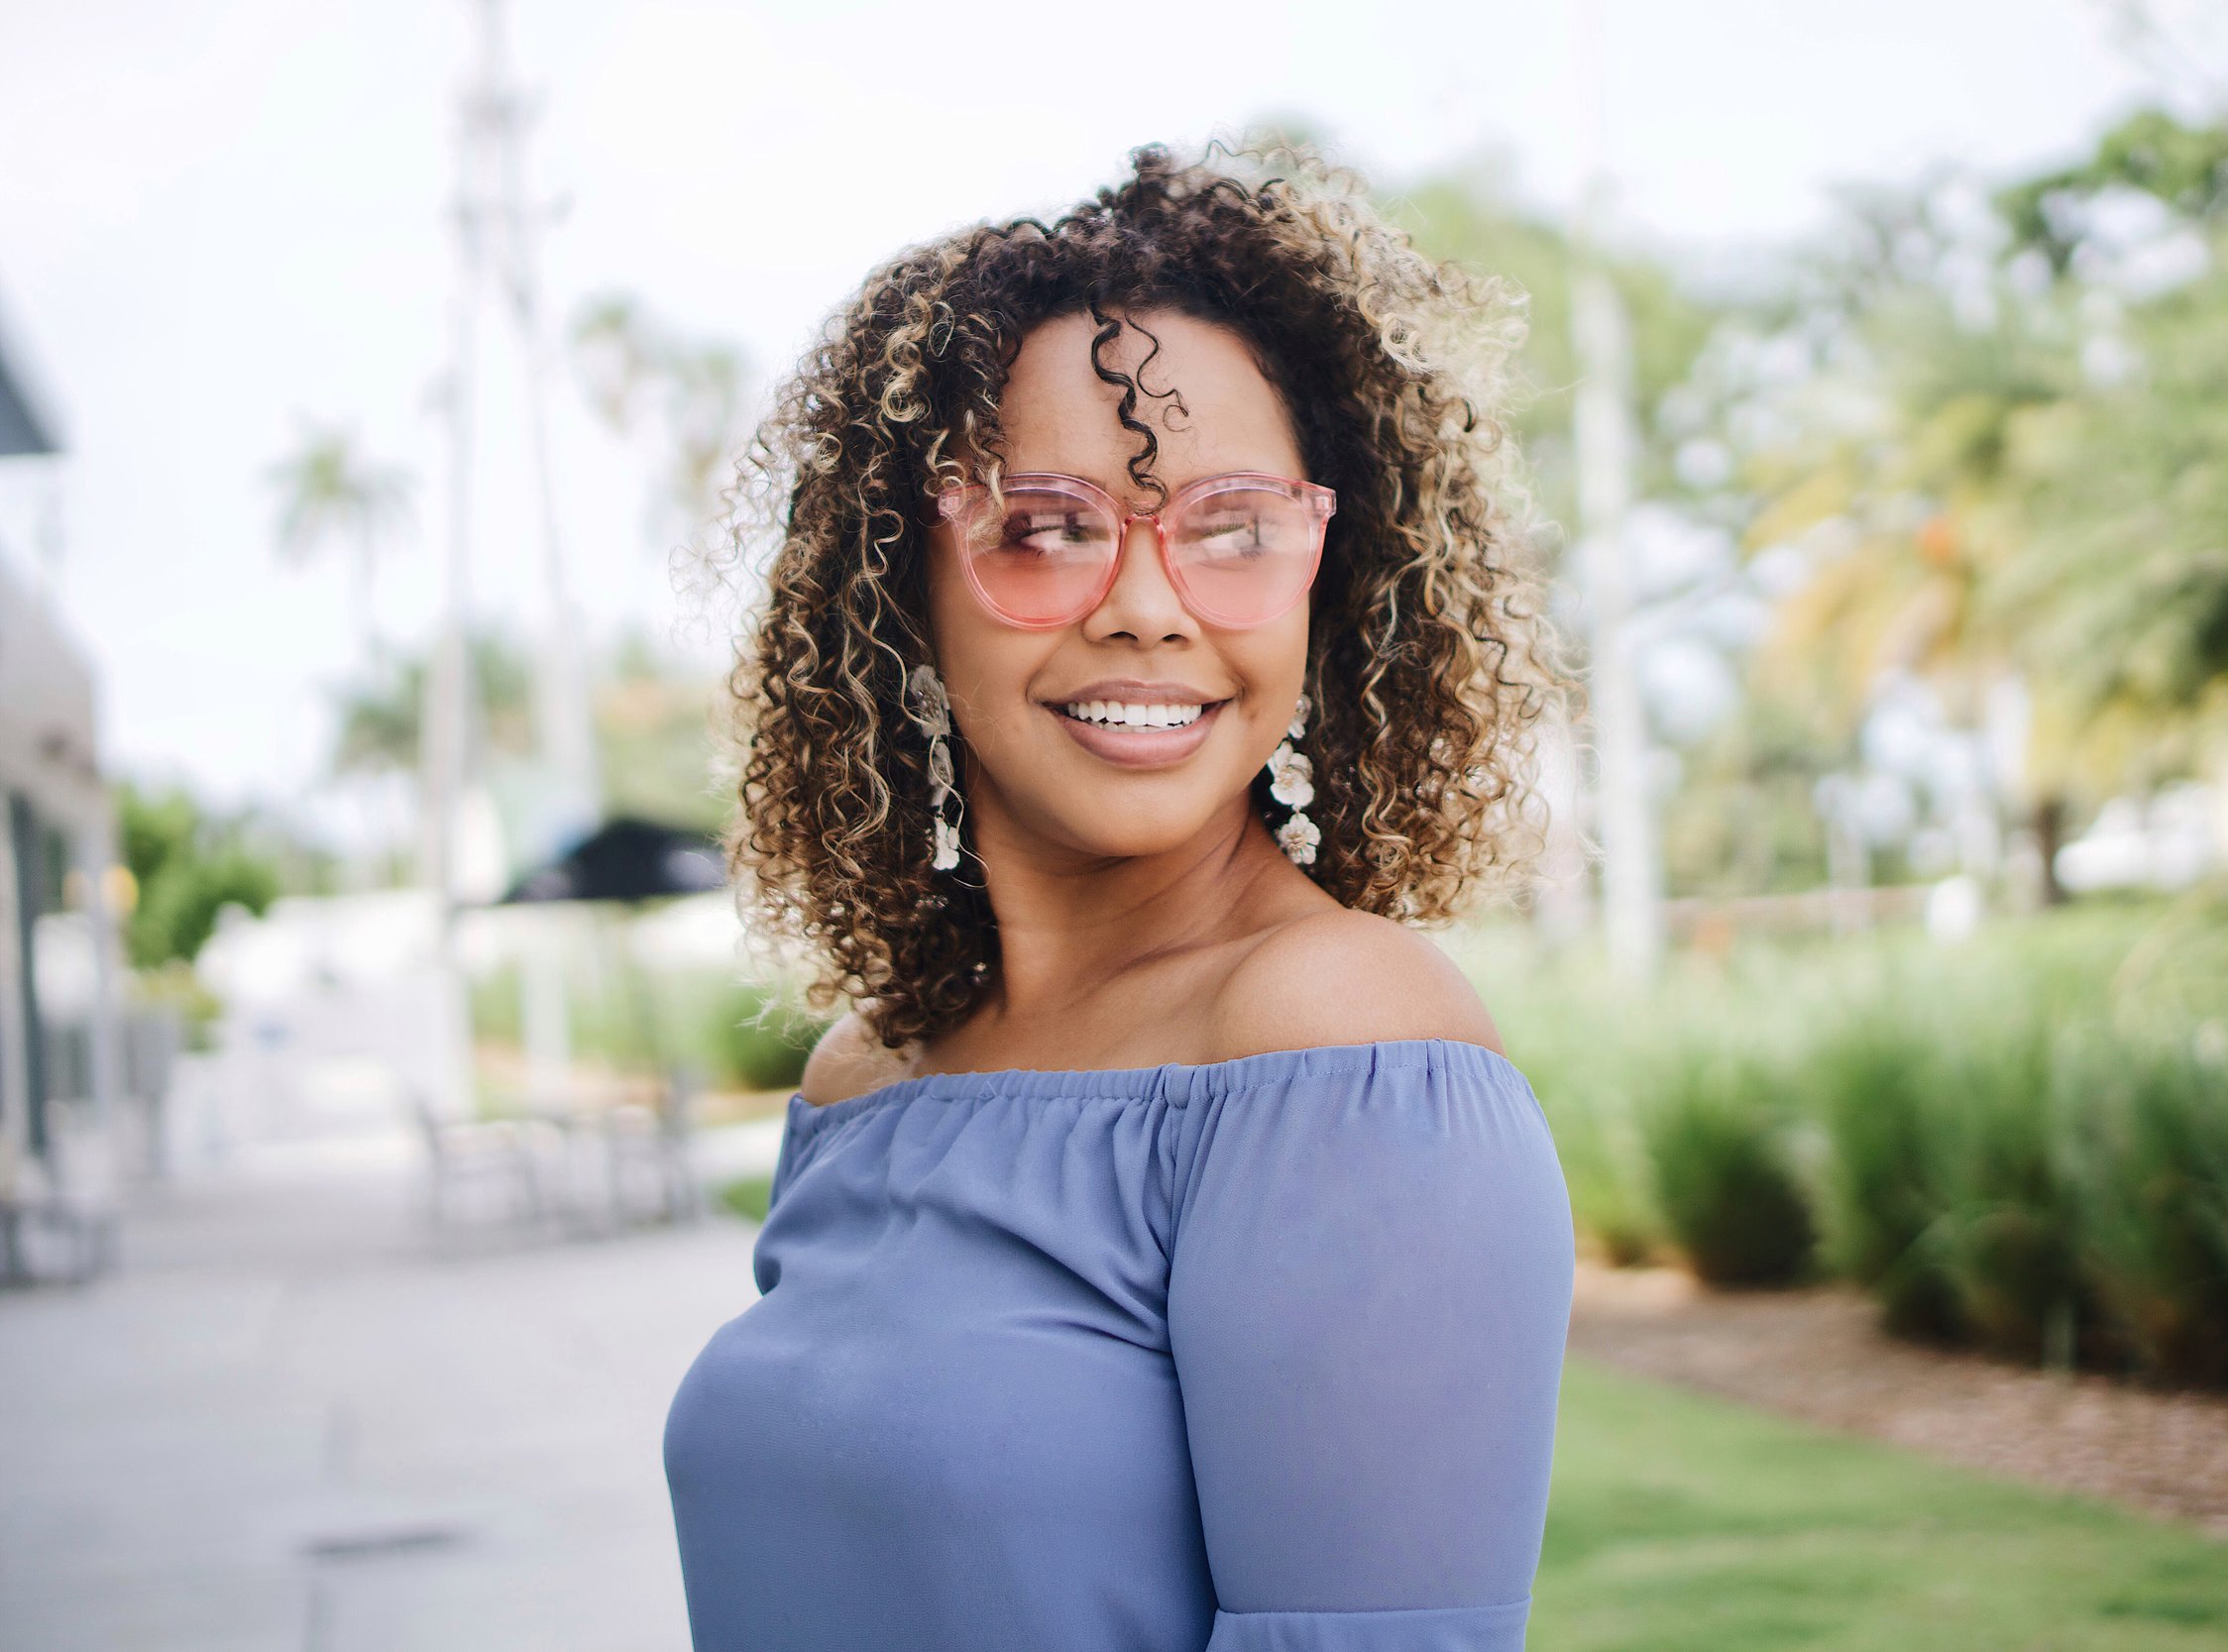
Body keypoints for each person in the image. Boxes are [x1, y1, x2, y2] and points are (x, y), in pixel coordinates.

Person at [663, 143, 1577, 1652]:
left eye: (1233, 529)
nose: (1150, 607)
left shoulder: (1331, 1040)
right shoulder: (870, 1070)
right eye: (1048, 527)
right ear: (905, 582)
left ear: (1322, 584)